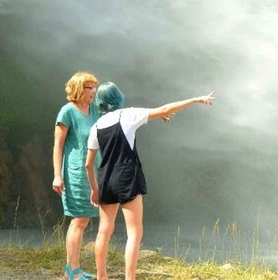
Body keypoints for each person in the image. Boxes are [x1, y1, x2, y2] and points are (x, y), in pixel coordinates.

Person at [85, 82, 215, 280]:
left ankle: (101, 276)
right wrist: (196, 99)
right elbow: (164, 109)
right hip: (127, 177)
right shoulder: (126, 115)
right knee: (134, 233)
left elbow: (88, 164)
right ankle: (130, 278)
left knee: (104, 231)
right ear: (117, 97)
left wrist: (94, 189)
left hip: (105, 179)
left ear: (101, 102)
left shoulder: (96, 127)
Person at [52, 71, 101, 280]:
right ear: (80, 89)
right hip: (75, 172)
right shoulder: (67, 112)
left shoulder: (95, 110)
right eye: (90, 88)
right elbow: (58, 146)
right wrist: (57, 175)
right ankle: (72, 270)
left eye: (95, 88)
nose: (94, 92)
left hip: (94, 171)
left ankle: (74, 268)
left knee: (85, 220)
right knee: (79, 220)